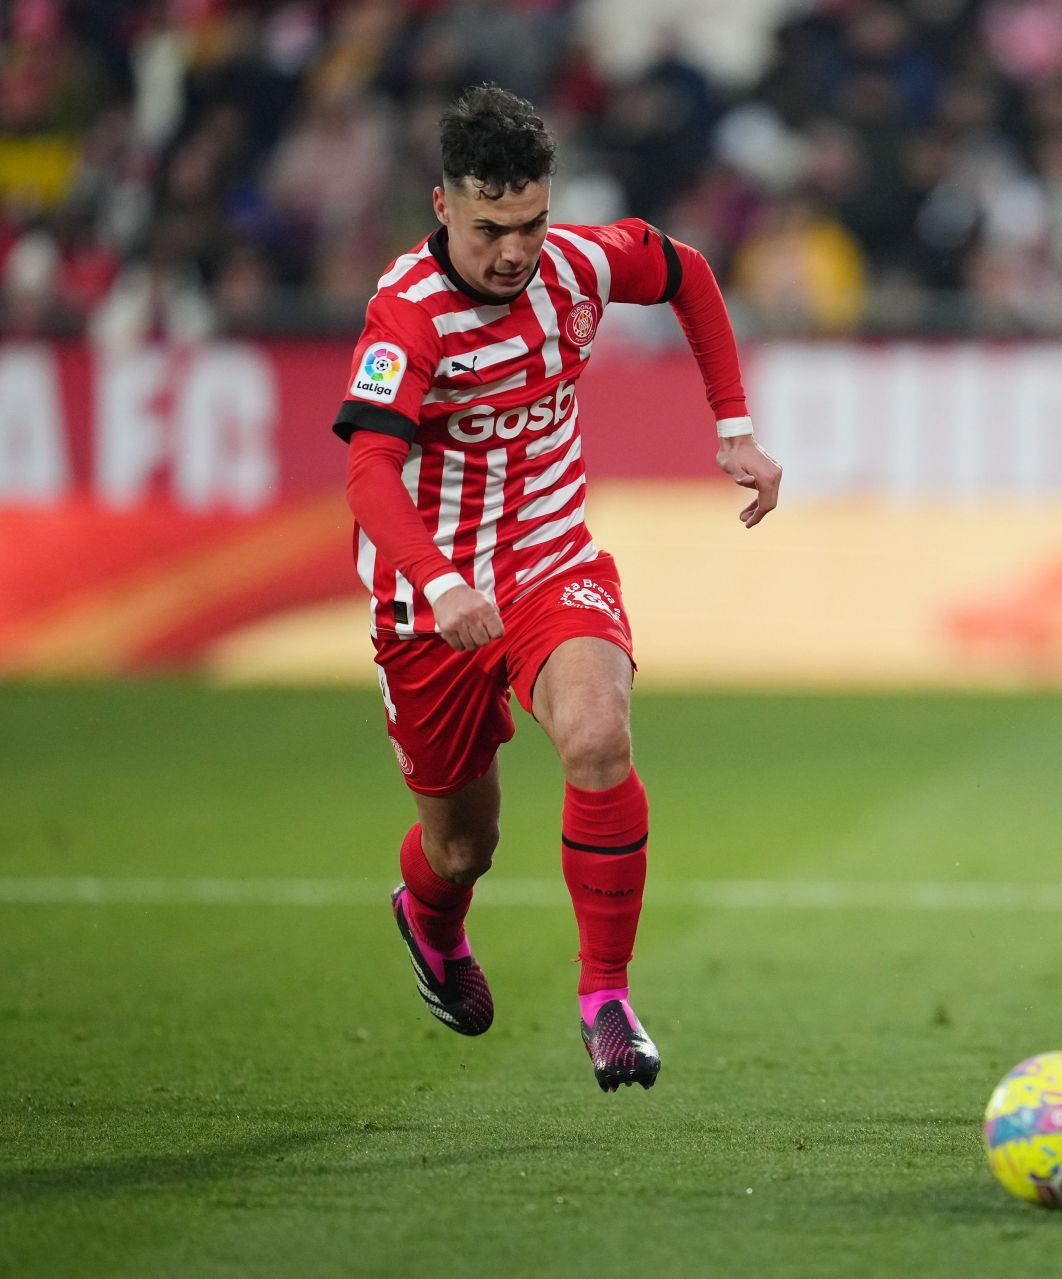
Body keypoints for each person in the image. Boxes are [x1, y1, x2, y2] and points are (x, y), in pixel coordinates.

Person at [334, 85, 781, 1092]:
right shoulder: (407, 316)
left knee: (596, 735)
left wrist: (733, 427)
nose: (516, 251)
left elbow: (688, 273)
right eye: (492, 227)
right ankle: (430, 921)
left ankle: (606, 999)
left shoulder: (576, 263)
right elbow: (368, 474)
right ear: (443, 206)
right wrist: (442, 582)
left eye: (531, 221)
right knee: (461, 847)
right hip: (428, 606)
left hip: (549, 563)